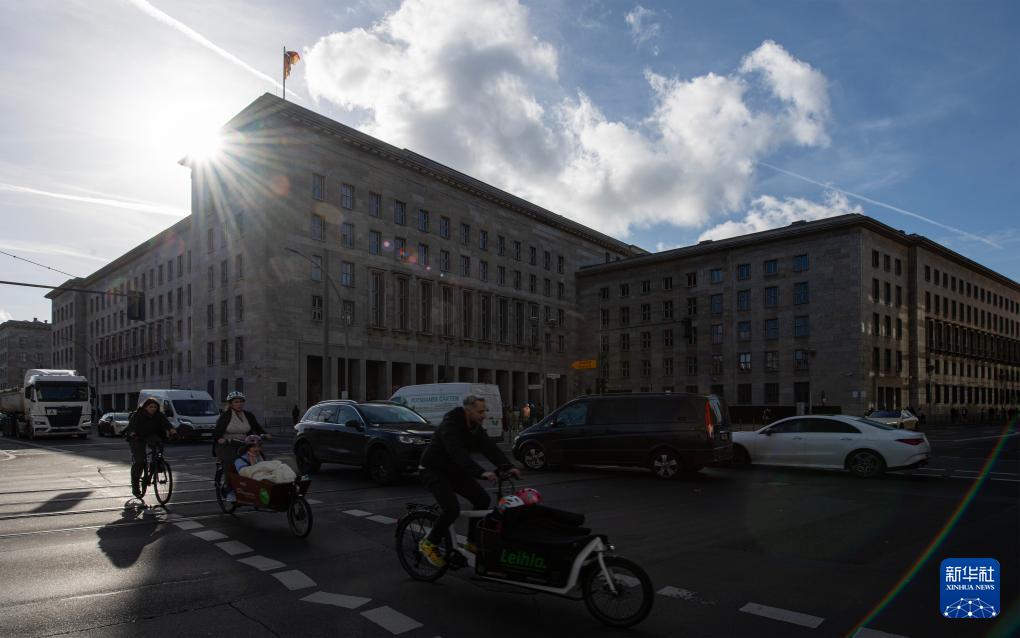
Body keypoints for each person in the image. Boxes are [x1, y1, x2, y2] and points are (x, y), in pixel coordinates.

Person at [418, 395, 520, 568]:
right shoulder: (450, 425)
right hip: (433, 470)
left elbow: (489, 448)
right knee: (452, 509)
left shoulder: (474, 427)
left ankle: (472, 541)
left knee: (482, 499)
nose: (484, 415)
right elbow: (457, 453)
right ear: (468, 411)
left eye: (484, 411)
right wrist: (480, 473)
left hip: (453, 471)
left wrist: (508, 467)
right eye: (480, 412)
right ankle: (429, 543)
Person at [123, 397, 177, 498]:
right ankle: (135, 486)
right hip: (137, 437)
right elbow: (131, 427)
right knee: (140, 460)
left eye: (155, 407)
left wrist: (173, 431)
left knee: (159, 448)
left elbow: (167, 424)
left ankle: (156, 466)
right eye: (150, 407)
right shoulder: (138, 415)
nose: (153, 409)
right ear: (145, 407)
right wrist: (133, 434)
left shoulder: (159, 415)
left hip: (151, 436)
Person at [213, 391, 269, 476]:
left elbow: (257, 428)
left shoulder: (248, 415)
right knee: (232, 461)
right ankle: (229, 483)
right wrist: (220, 439)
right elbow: (217, 432)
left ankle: (257, 478)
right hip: (227, 444)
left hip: (245, 443)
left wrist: (265, 434)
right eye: (236, 402)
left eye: (241, 401)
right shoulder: (225, 416)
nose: (239, 404)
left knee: (260, 457)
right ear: (231, 404)